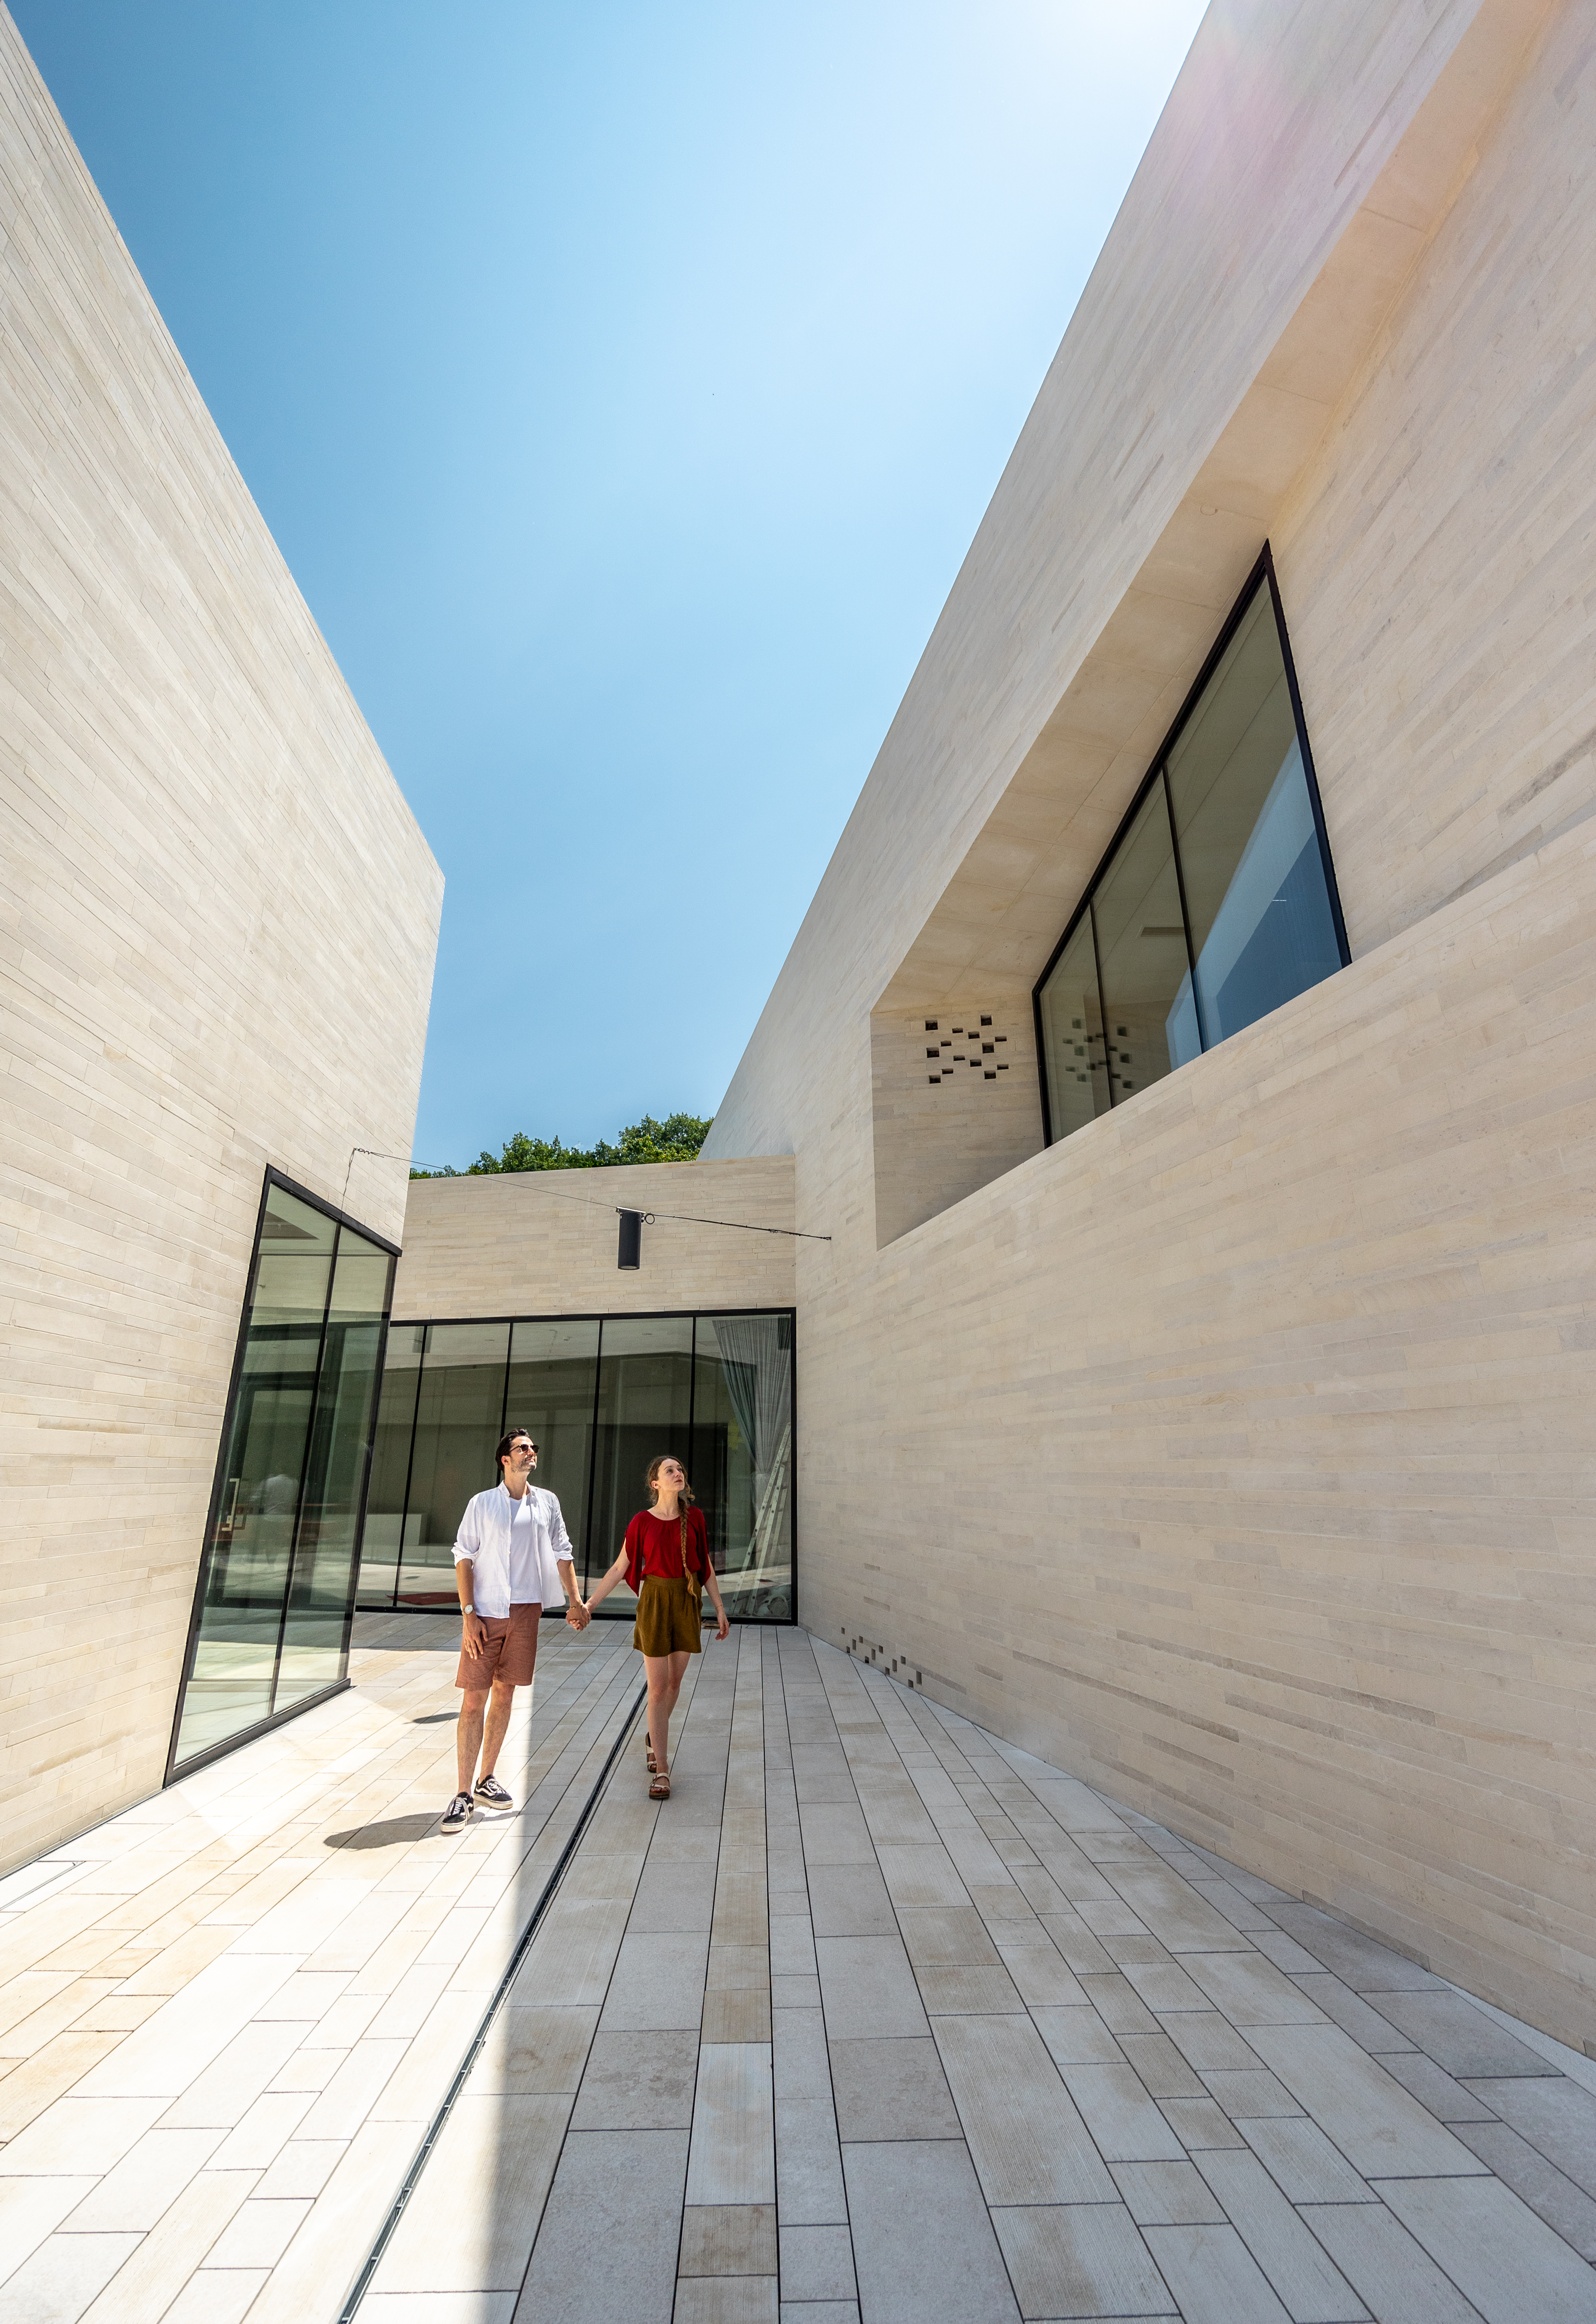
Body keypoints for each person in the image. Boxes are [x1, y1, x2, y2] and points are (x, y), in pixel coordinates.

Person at [441, 1428, 588, 1833]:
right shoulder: (481, 1503)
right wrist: (468, 1614)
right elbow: (463, 1557)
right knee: (474, 1699)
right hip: (485, 1613)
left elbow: (563, 1552)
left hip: (526, 1612)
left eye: (533, 1448)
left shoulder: (547, 1502)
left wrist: (576, 1601)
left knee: (505, 1694)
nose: (531, 1452)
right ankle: (462, 1794)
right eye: (522, 1448)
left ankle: (486, 1779)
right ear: (505, 1459)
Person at [583, 1452, 728, 1799]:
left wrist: (720, 1609)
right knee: (658, 1688)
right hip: (655, 1604)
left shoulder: (695, 1519)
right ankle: (662, 1769)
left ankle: (653, 1735)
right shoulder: (641, 1522)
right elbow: (620, 1568)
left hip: (686, 1602)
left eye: (680, 1469)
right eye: (670, 1470)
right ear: (656, 1483)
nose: (678, 1473)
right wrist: (589, 1605)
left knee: (675, 1684)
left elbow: (705, 1566)